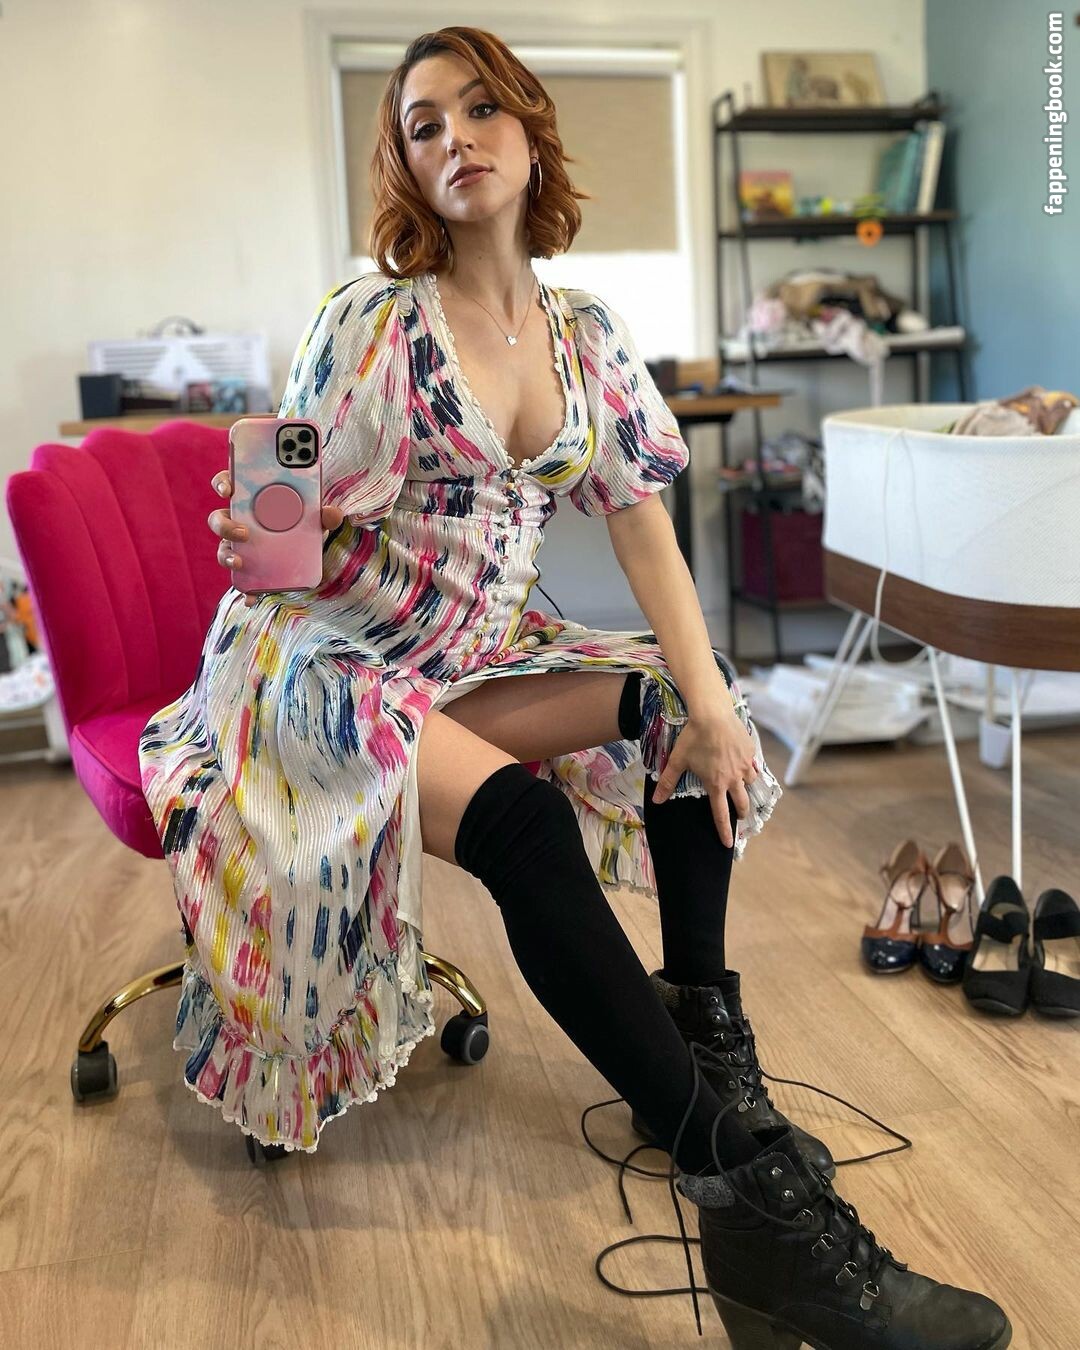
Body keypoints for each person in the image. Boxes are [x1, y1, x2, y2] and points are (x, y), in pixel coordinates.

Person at [138, 26, 1010, 1349]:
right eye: (423, 125)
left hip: (474, 652)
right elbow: (280, 534)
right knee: (526, 828)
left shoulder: (587, 333)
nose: (456, 138)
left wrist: (711, 703)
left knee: (682, 711)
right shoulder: (365, 321)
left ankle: (704, 1040)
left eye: (479, 108)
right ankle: (750, 1197)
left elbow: (644, 525)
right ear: (406, 167)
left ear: (530, 130)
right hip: (318, 657)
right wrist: (265, 524)